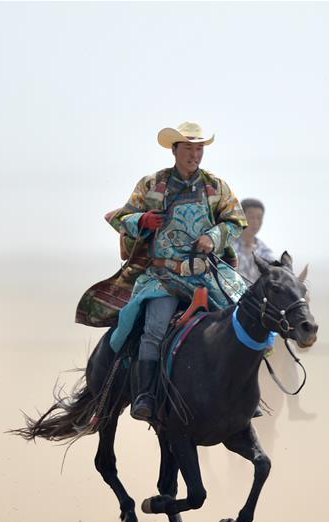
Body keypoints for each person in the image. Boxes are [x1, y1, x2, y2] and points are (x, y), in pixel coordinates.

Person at [104, 122, 248, 422]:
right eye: (189, 148)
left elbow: (235, 220)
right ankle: (144, 394)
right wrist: (142, 221)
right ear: (175, 150)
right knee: (155, 327)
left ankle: (245, 394)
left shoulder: (216, 186)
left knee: (245, 319)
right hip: (163, 277)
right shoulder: (152, 184)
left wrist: (214, 237)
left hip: (206, 274)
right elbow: (121, 217)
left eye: (199, 149)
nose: (195, 155)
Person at [231, 198, 316, 424]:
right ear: (241, 218)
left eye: (259, 217)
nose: (255, 222)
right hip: (235, 305)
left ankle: (293, 405)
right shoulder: (229, 247)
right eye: (251, 217)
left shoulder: (265, 250)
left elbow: (279, 280)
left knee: (285, 349)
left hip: (264, 310)